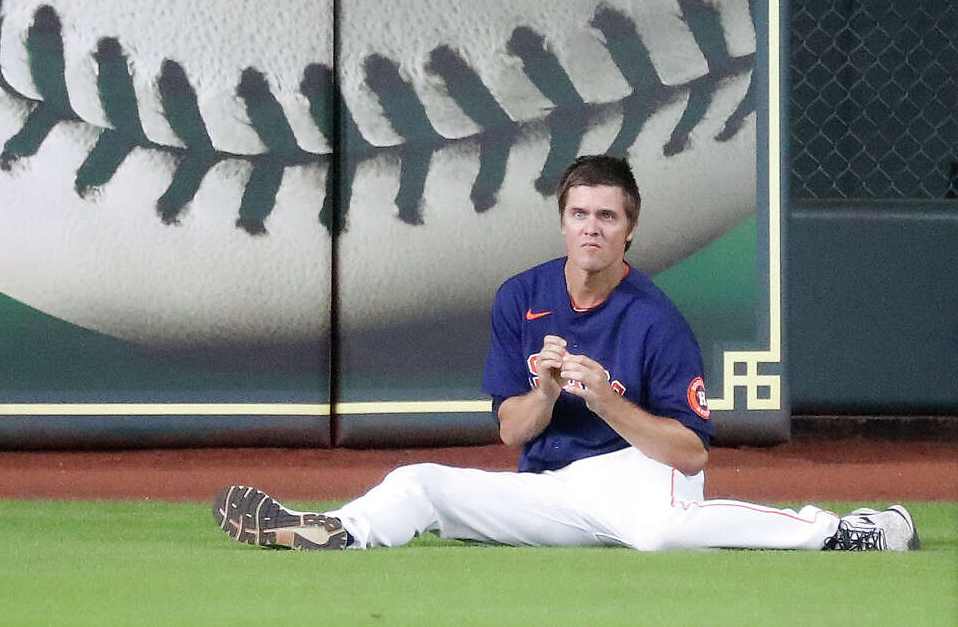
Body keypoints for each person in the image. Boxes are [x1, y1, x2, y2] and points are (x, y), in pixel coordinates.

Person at [212, 154, 920, 553]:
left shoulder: (656, 318)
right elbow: (511, 432)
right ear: (562, 221)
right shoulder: (521, 297)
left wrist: (608, 399)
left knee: (662, 536)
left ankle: (844, 530)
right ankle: (336, 528)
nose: (592, 228)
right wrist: (546, 393)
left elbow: (692, 454)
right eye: (580, 213)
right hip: (555, 488)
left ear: (630, 231)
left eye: (607, 216)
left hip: (641, 476)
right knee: (420, 478)